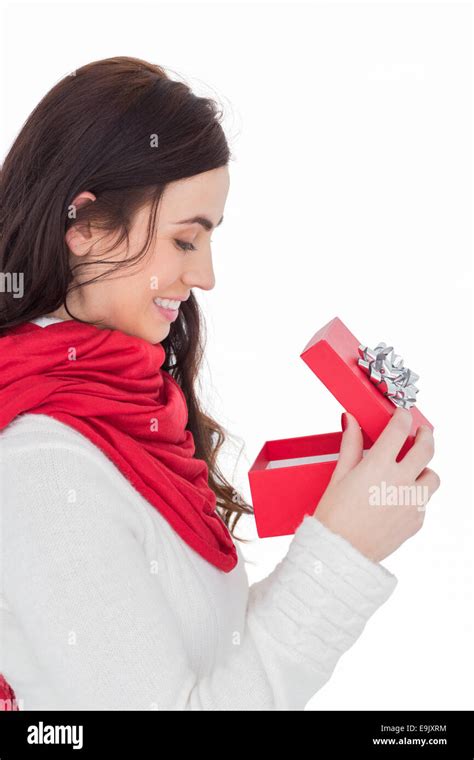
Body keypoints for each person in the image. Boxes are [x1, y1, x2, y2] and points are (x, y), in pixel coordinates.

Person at [0, 56, 440, 711]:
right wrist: (342, 554)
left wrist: (338, 530)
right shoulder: (43, 470)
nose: (205, 276)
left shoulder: (130, 413)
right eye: (185, 241)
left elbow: (204, 662)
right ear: (87, 225)